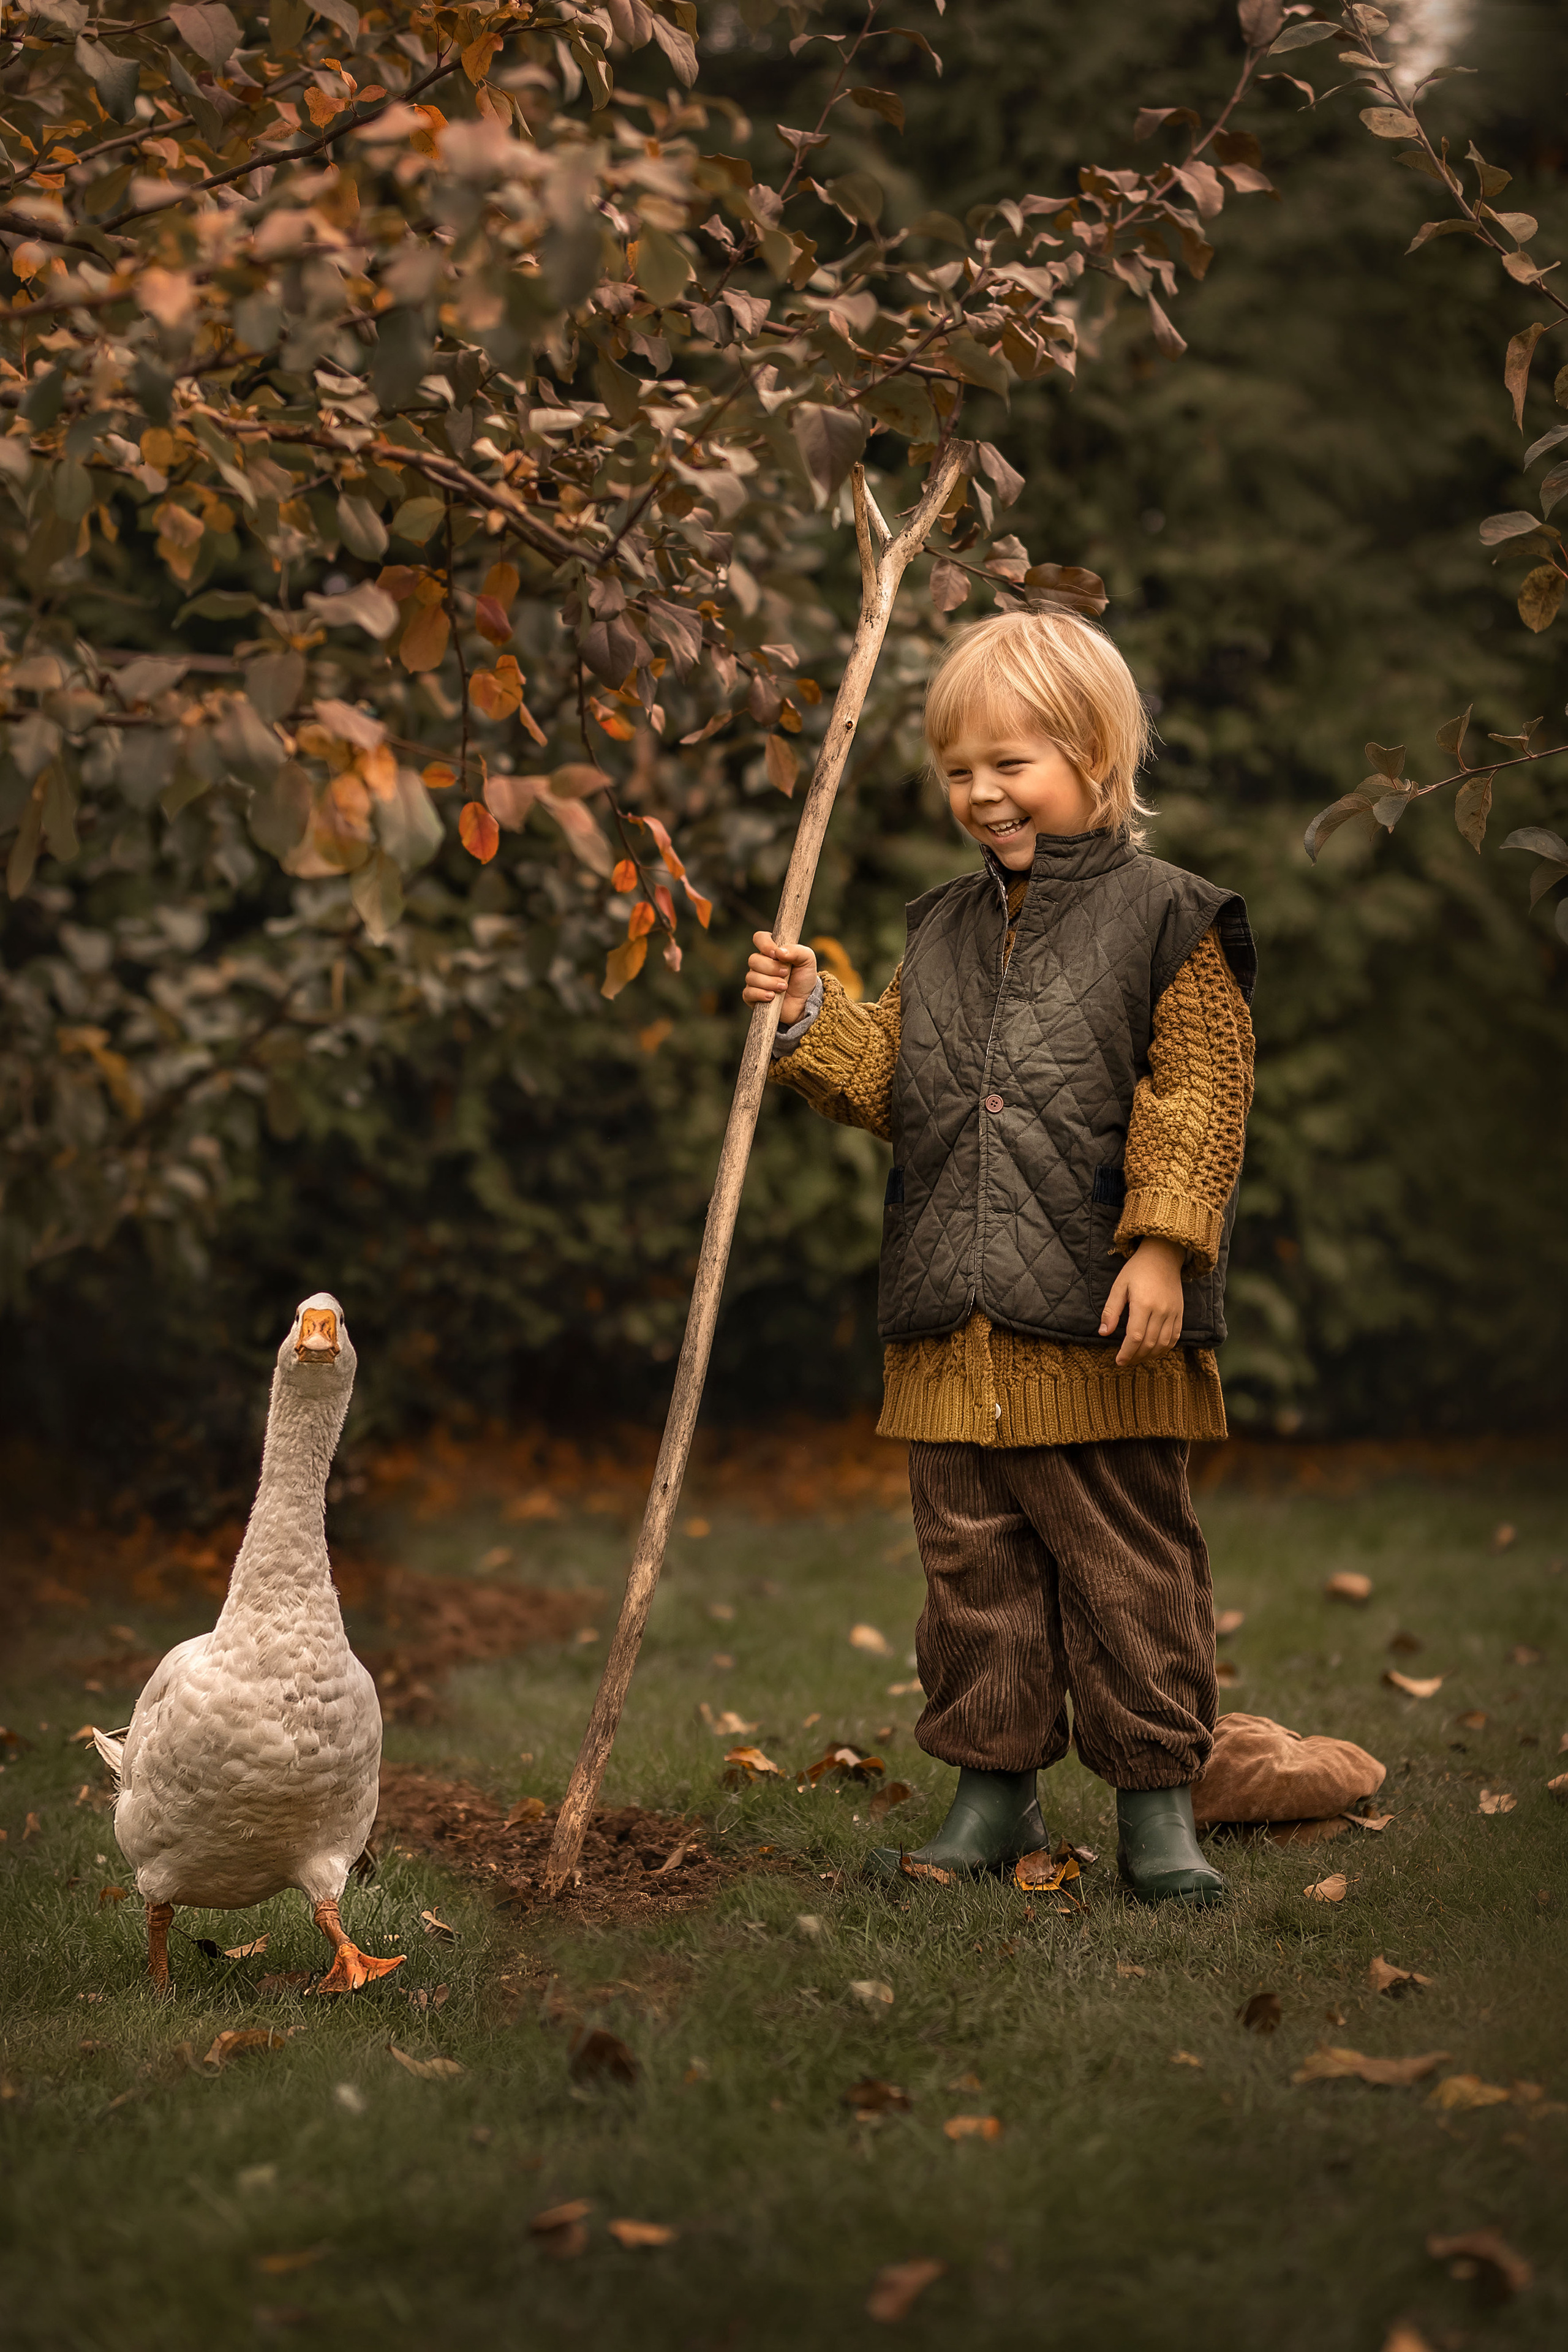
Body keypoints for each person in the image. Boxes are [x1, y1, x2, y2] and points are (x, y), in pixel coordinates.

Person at [744, 608, 1256, 1902]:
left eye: (1010, 762)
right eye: (957, 768)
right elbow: (893, 1084)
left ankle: (1156, 1813)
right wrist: (811, 1015)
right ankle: (992, 1802)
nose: (980, 792)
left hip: (1092, 1324)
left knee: (1125, 1573)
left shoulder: (1166, 921)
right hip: (948, 1325)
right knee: (972, 1579)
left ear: (1093, 754)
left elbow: (1197, 1095)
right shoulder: (943, 928)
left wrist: (1158, 1247)